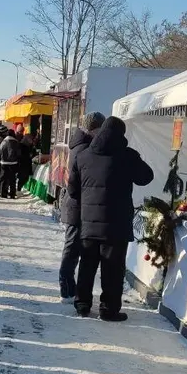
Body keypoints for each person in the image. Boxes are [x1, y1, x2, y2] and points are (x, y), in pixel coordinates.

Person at [71, 116, 154, 322]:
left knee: (87, 265)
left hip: (88, 223)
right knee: (113, 269)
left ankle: (82, 304)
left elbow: (73, 190)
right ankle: (108, 310)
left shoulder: (83, 156)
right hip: (117, 225)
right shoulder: (127, 156)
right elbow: (146, 177)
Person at [58, 112, 105, 304]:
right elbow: (76, 183)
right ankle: (67, 290)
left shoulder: (80, 144)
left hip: (77, 205)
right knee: (72, 249)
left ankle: (69, 288)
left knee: (74, 248)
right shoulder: (84, 149)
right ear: (94, 129)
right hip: (76, 206)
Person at [0, 129, 21, 199]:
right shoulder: (16, 142)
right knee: (12, 179)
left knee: (3, 179)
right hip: (13, 163)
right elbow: (18, 153)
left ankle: (3, 193)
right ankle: (12, 194)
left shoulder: (3, 142)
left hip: (4, 163)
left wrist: (0, 160)